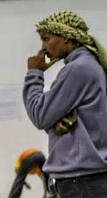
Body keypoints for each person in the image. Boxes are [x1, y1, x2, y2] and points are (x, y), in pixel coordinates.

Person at [23, 11, 107, 197]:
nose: (43, 48)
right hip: (88, 178)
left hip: (81, 180)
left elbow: (40, 115)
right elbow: (53, 118)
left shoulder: (78, 68)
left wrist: (34, 73)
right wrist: (54, 123)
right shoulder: (92, 65)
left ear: (66, 37)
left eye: (46, 39)